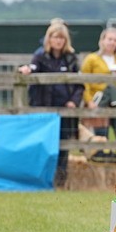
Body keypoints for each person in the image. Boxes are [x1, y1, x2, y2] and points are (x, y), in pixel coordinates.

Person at [19, 22, 82, 187]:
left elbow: (80, 83)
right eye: (55, 37)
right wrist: (26, 71)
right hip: (43, 109)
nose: (58, 40)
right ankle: (40, 180)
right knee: (43, 145)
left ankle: (60, 181)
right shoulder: (40, 56)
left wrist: (73, 101)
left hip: (64, 109)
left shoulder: (71, 58)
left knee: (63, 146)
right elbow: (31, 69)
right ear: (49, 38)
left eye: (61, 37)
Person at [81, 28, 116, 161]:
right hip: (100, 102)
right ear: (102, 40)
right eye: (110, 39)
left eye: (115, 40)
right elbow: (83, 82)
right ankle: (101, 165)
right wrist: (89, 101)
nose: (112, 43)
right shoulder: (91, 59)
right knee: (100, 136)